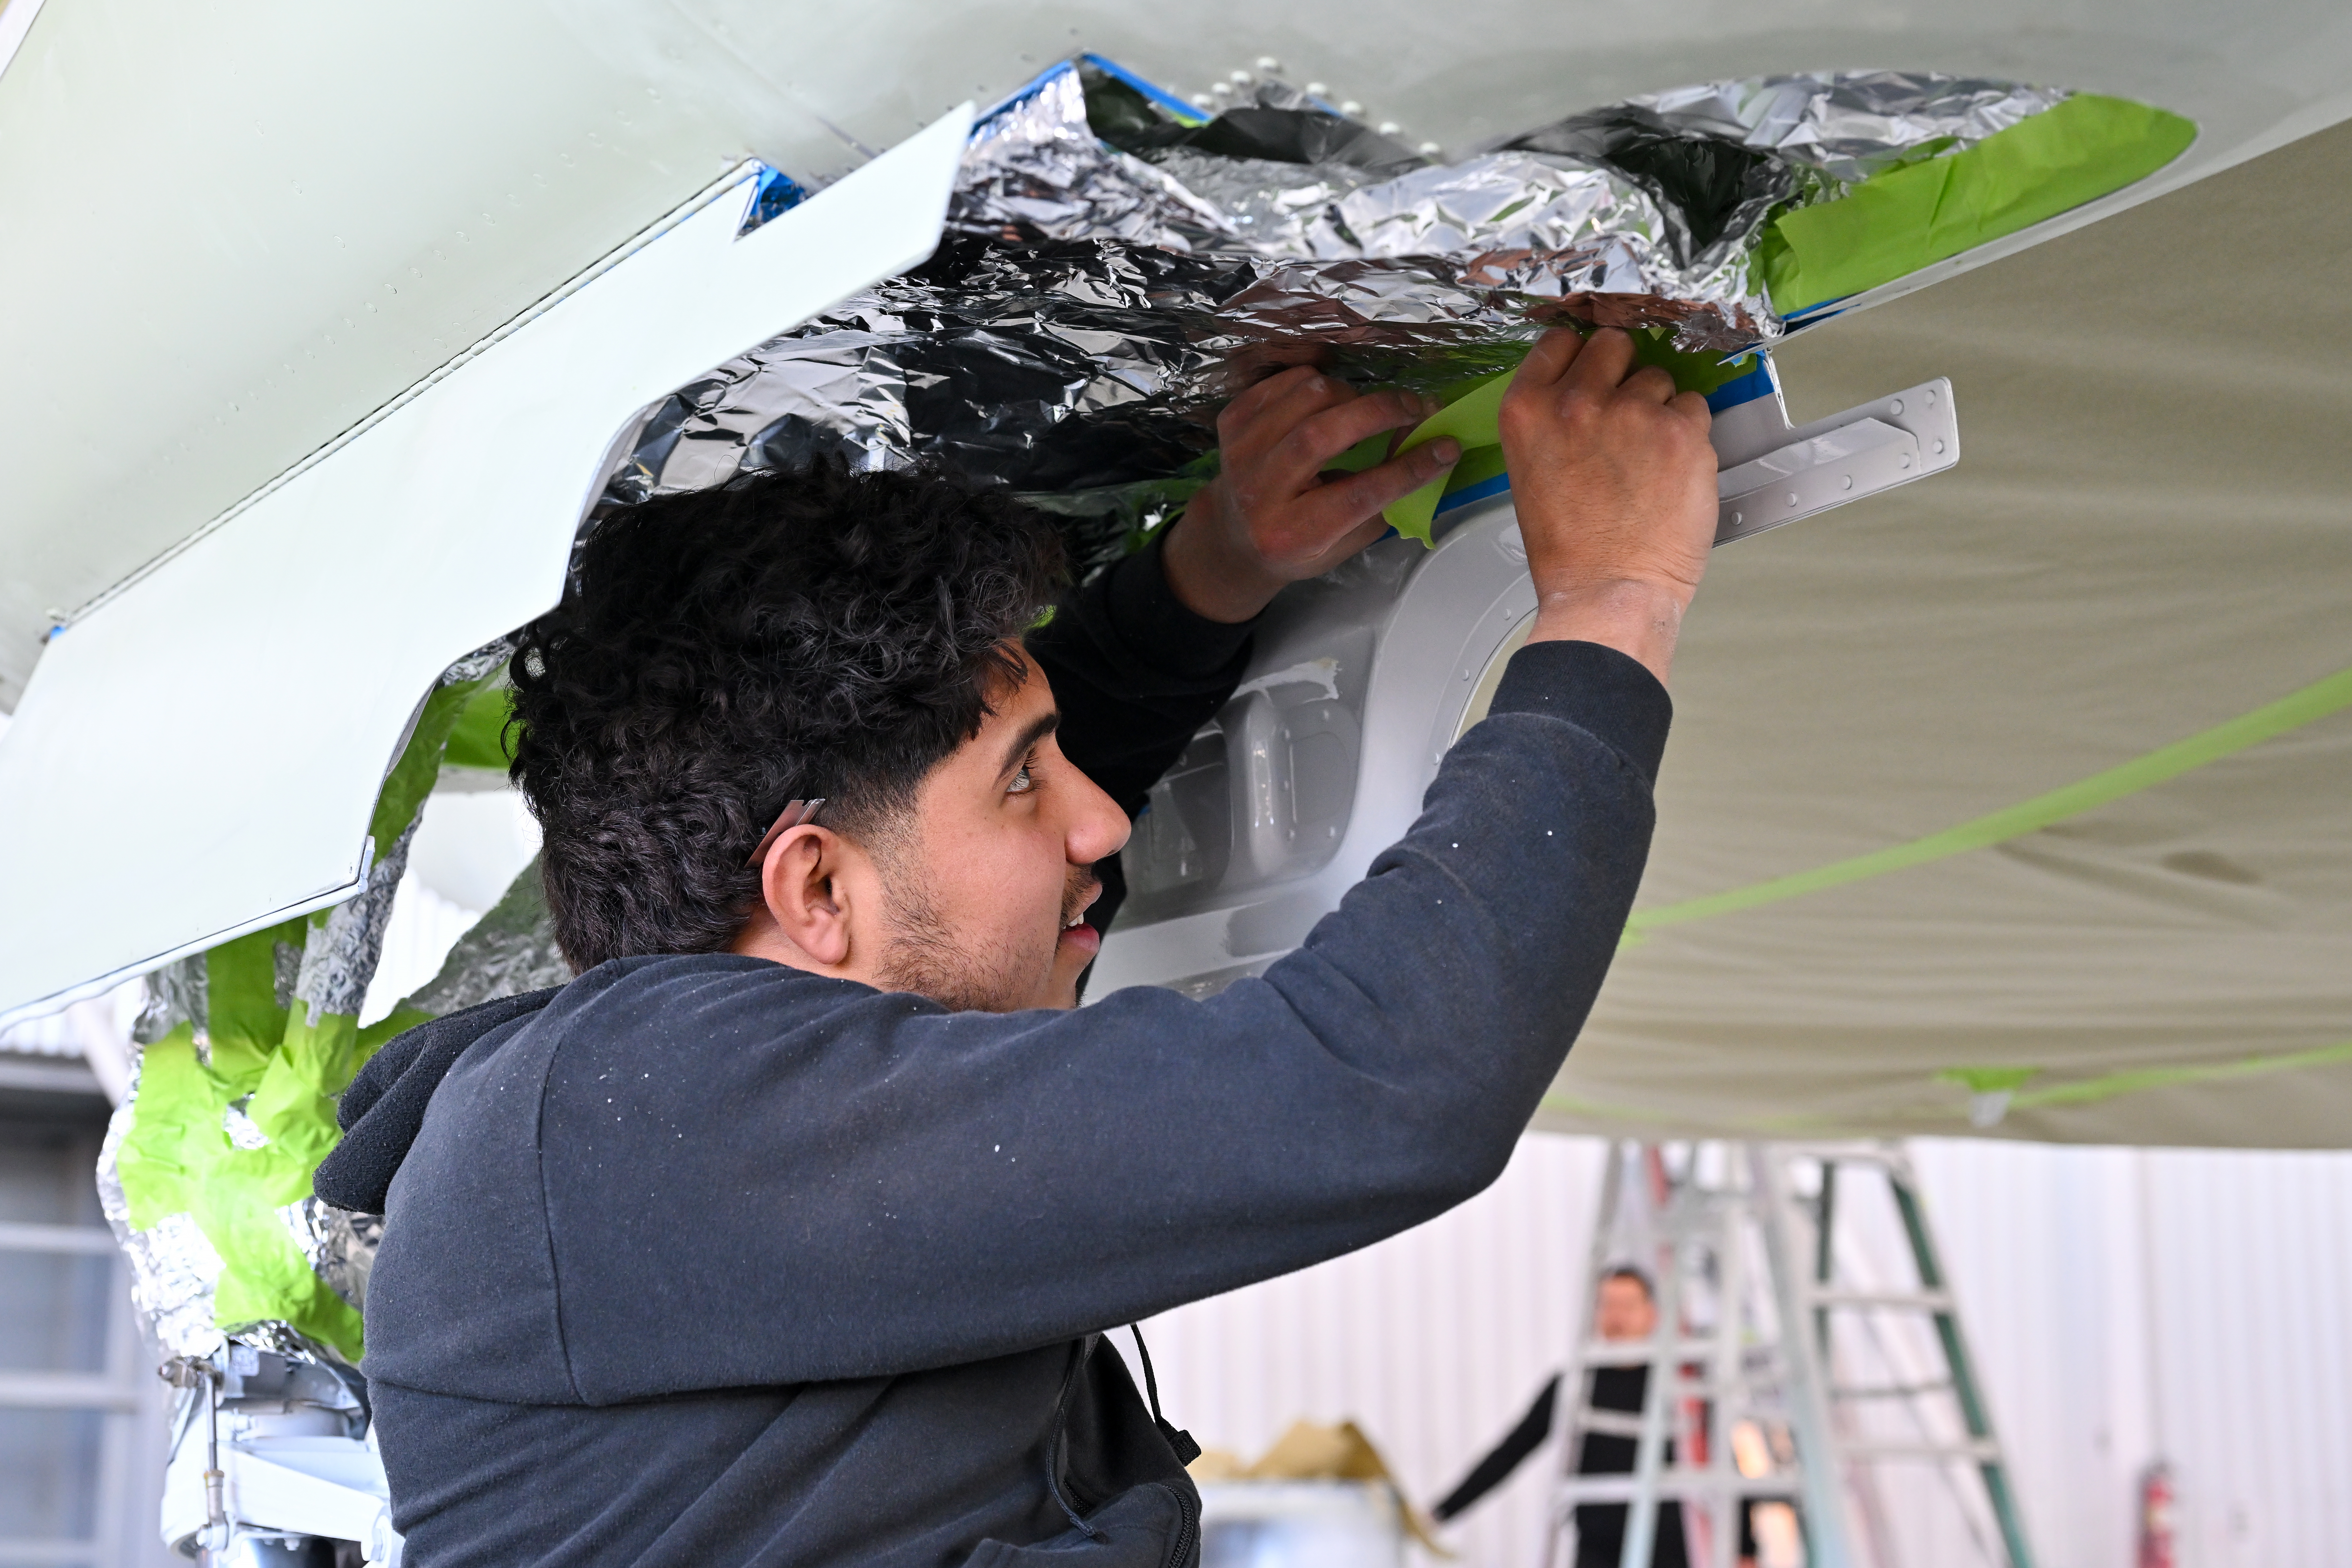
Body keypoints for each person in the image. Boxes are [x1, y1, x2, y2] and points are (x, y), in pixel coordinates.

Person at [314, 325, 1718, 1567]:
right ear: (810, 888)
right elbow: (1371, 1080)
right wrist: (1607, 609)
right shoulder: (624, 1127)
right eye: (1028, 780)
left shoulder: (653, 1140)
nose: (1099, 824)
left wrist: (1216, 569)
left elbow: (933, 856)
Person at [1434, 1268, 1796, 1568]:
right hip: (1599, 1550)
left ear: (1651, 1313)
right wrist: (1440, 1513)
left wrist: (1746, 1550)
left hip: (1672, 1548)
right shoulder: (1575, 1384)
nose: (1616, 1316)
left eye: (1627, 1305)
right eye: (1607, 1305)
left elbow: (1725, 1463)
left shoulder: (1685, 1382)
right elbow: (1510, 1452)